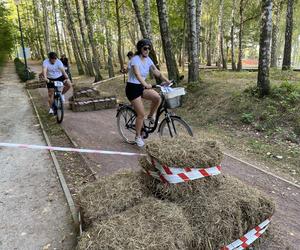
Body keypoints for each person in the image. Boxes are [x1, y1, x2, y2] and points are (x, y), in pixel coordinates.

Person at [126, 39, 171, 147]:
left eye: (149, 48)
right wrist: (145, 84)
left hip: (141, 87)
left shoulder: (148, 59)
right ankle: (137, 136)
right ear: (140, 49)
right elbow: (137, 74)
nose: (147, 50)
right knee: (141, 114)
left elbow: (157, 72)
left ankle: (150, 116)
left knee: (157, 98)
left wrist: (167, 80)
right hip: (132, 88)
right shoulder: (135, 60)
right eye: (145, 48)